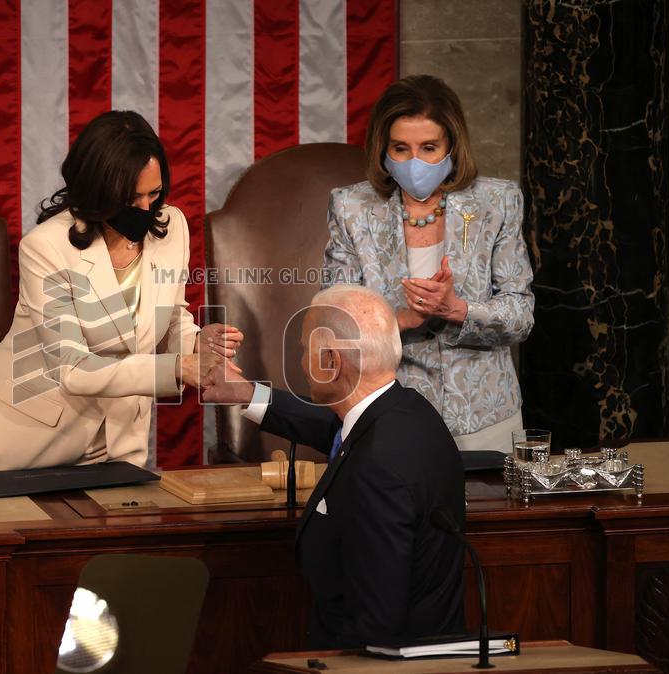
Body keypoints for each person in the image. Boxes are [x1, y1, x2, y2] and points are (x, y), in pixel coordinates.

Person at [0, 110, 242, 473]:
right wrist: (179, 367)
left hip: (118, 442)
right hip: (27, 440)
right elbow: (73, 369)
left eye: (154, 193)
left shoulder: (172, 227)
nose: (146, 209)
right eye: (131, 198)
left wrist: (196, 342)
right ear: (98, 190)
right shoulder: (46, 247)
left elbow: (168, 316)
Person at [202, 285, 465, 649]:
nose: (300, 362)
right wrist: (247, 393)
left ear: (331, 362)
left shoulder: (376, 467)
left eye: (304, 350)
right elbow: (340, 429)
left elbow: (374, 624)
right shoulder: (412, 413)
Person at [323, 74, 534, 452]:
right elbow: (334, 325)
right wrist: (402, 319)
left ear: (452, 145)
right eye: (401, 148)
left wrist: (457, 310)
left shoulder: (498, 202)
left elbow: (521, 315)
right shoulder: (351, 207)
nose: (415, 161)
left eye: (429, 147)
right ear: (383, 149)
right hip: (389, 416)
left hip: (485, 415)